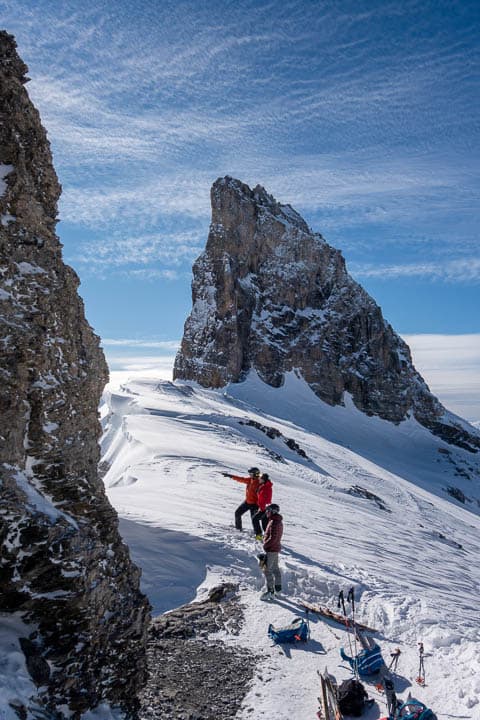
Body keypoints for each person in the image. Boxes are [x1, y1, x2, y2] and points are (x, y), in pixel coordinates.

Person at [222, 466, 260, 531]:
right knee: (237, 513)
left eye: (251, 474)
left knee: (254, 520)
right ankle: (238, 529)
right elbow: (241, 479)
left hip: (255, 505)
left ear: (255, 474)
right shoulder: (250, 480)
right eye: (249, 474)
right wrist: (231, 476)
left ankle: (258, 535)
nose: (250, 475)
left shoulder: (259, 483)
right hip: (247, 502)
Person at [260, 503, 283, 601]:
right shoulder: (276, 521)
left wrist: (265, 545)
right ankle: (278, 589)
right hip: (275, 548)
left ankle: (270, 591)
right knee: (275, 568)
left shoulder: (274, 522)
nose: (266, 512)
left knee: (266, 569)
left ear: (272, 511)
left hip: (271, 549)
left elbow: (273, 537)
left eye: (268, 510)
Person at [252, 473, 273, 540]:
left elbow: (264, 500)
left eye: (260, 478)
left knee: (255, 519)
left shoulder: (266, 488)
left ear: (263, 480)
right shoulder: (264, 485)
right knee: (264, 523)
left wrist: (261, 509)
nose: (259, 479)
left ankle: (259, 535)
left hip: (264, 508)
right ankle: (267, 536)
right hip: (264, 508)